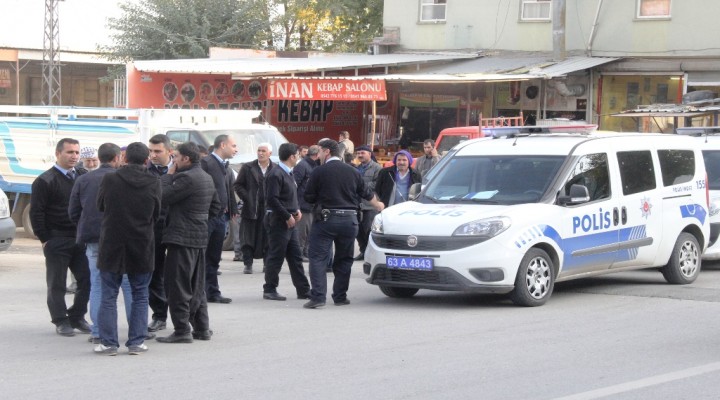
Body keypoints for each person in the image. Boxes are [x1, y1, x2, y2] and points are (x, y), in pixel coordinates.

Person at [94, 142, 161, 355]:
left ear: (124, 158)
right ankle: (136, 342)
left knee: (108, 294)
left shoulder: (110, 178)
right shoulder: (154, 181)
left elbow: (100, 205)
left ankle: (108, 343)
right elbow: (156, 213)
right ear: (145, 160)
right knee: (140, 293)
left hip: (112, 243)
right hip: (141, 242)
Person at [302, 139, 384, 309]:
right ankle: (340, 296)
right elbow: (367, 194)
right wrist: (380, 206)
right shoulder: (353, 171)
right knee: (344, 259)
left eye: (320, 152)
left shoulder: (319, 171)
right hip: (349, 220)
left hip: (326, 219)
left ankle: (318, 297)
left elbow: (308, 196)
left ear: (327, 152)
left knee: (317, 258)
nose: (318, 156)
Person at [156, 142, 221, 344]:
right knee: (197, 285)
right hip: (199, 237)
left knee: (177, 285)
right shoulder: (206, 177)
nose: (173, 160)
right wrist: (199, 220)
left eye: (175, 157)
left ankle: (182, 329)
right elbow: (216, 207)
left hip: (182, 238)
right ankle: (202, 328)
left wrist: (168, 176)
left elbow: (162, 196)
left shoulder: (185, 177)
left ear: (186, 158)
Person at [68, 142, 133, 345]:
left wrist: (85, 227)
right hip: (120, 238)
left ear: (100, 157)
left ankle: (97, 331)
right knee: (127, 284)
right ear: (117, 158)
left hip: (93, 238)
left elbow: (73, 211)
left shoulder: (84, 179)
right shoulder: (124, 179)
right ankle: (136, 330)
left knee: (97, 283)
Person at [30, 138, 91, 336]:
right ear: (58, 154)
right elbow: (36, 212)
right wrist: (45, 238)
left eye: (76, 152)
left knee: (87, 280)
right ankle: (60, 320)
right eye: (69, 152)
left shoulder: (82, 175)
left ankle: (77, 316)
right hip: (57, 239)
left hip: (80, 238)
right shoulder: (45, 180)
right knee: (57, 283)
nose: (74, 156)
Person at [262, 143, 311, 301]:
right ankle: (270, 289)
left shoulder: (288, 173)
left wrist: (296, 210)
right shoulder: (276, 174)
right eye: (297, 154)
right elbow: (272, 199)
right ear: (292, 156)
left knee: (295, 256)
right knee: (276, 255)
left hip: (290, 220)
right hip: (278, 220)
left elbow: (289, 196)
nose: (298, 157)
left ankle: (303, 290)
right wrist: (286, 216)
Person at [200, 134, 237, 304]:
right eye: (233, 145)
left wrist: (232, 210)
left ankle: (212, 292)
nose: (236, 149)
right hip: (208, 217)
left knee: (214, 257)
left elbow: (229, 189)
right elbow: (202, 189)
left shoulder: (225, 167)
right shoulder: (206, 163)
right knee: (202, 255)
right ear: (223, 145)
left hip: (221, 217)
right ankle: (199, 291)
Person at [146, 134, 174, 333]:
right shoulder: (145, 171)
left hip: (177, 229)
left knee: (179, 275)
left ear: (169, 152)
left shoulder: (182, 169)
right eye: (151, 151)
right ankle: (159, 315)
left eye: (158, 151)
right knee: (154, 273)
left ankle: (188, 319)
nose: (153, 155)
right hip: (152, 230)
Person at [233, 143, 274, 274]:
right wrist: (248, 198)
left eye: (263, 151)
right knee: (247, 238)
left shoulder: (275, 169)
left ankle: (267, 265)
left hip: (268, 209)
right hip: (251, 208)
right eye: (259, 150)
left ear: (269, 154)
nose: (260, 153)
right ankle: (248, 264)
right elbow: (238, 185)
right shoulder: (247, 167)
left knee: (267, 238)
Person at [354, 145, 382, 261]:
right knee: (358, 231)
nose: (360, 155)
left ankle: (370, 253)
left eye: (363, 153)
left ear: (369, 154)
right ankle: (363, 251)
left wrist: (360, 187)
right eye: (359, 153)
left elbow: (376, 184)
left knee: (368, 230)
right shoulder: (356, 168)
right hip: (357, 204)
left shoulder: (377, 168)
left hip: (370, 205)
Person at [293, 144, 319, 261]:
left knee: (309, 231)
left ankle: (306, 252)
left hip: (311, 205)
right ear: (317, 154)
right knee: (302, 232)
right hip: (303, 205)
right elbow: (294, 186)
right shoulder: (303, 165)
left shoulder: (314, 165)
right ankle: (299, 253)